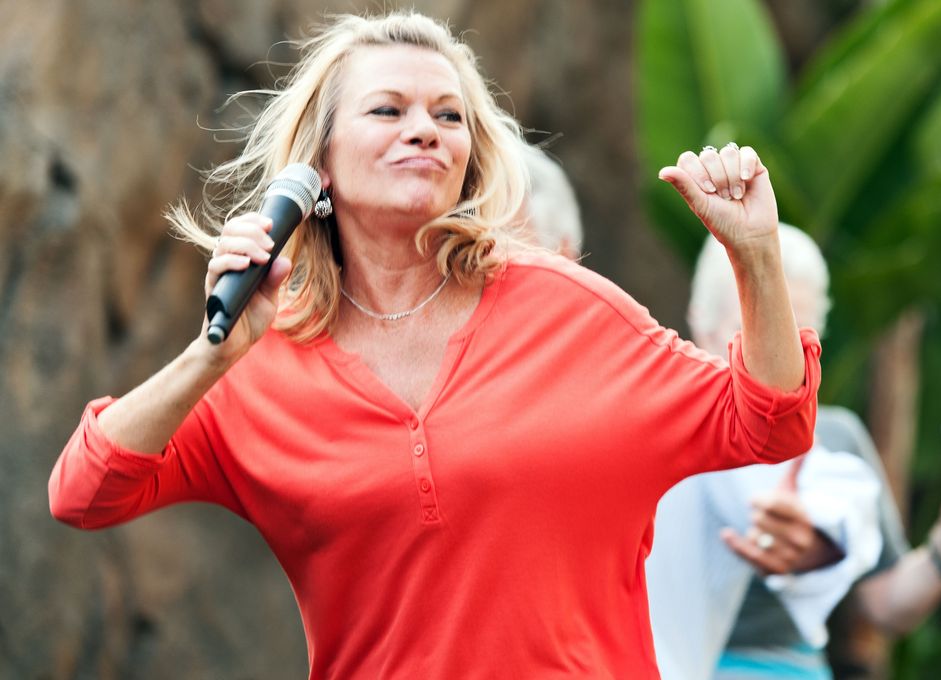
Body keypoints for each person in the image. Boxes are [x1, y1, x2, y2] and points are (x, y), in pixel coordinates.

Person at [46, 11, 821, 679]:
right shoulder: (255, 362)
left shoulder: (567, 309)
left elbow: (769, 420)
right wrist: (211, 354)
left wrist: (754, 259)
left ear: (470, 157)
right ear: (317, 168)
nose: (425, 127)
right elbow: (84, 493)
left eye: (449, 116)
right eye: (388, 110)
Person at [647, 228, 941, 680]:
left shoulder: (834, 442)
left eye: (796, 341)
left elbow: (885, 605)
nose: (773, 359)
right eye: (751, 332)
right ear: (700, 322)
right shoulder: (655, 432)